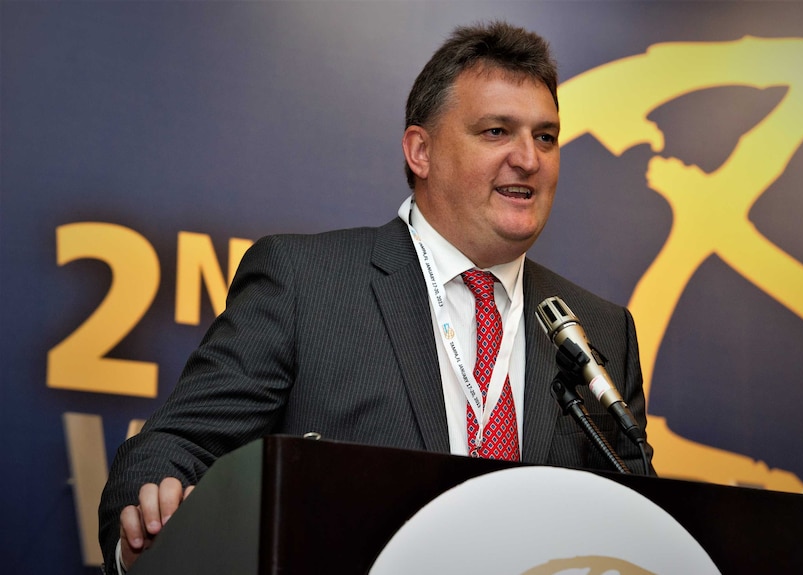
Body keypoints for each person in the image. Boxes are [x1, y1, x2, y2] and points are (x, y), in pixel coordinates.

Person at [98, 21, 653, 574]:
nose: (528, 159)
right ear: (421, 150)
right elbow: (176, 445)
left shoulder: (598, 332)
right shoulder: (305, 283)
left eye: (546, 136)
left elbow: (641, 522)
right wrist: (151, 519)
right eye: (496, 132)